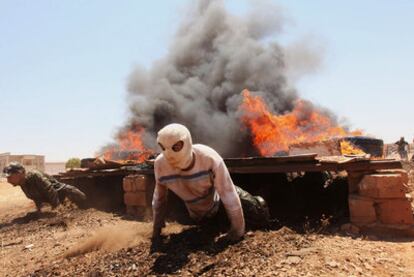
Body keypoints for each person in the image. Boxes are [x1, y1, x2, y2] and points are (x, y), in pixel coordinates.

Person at [151, 123, 270, 246]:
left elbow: (228, 193)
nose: (169, 154)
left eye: (176, 147)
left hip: (219, 204)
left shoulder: (209, 158)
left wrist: (237, 231)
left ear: (186, 142)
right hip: (195, 215)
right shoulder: (160, 165)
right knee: (206, 230)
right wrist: (156, 231)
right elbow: (159, 199)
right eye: (163, 147)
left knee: (255, 207)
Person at [3, 162, 87, 213]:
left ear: (20, 173)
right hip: (62, 201)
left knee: (87, 208)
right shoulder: (23, 184)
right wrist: (39, 210)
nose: (8, 181)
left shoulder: (35, 176)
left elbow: (50, 190)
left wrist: (57, 209)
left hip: (71, 195)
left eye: (10, 177)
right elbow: (36, 198)